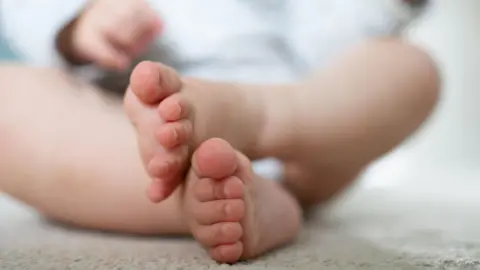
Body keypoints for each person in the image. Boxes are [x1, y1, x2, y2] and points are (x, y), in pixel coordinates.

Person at [0, 0, 438, 263]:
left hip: (295, 130)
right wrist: (79, 21)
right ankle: (201, 198)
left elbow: (329, 38)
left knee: (407, 66)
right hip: (121, 133)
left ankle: (256, 121)